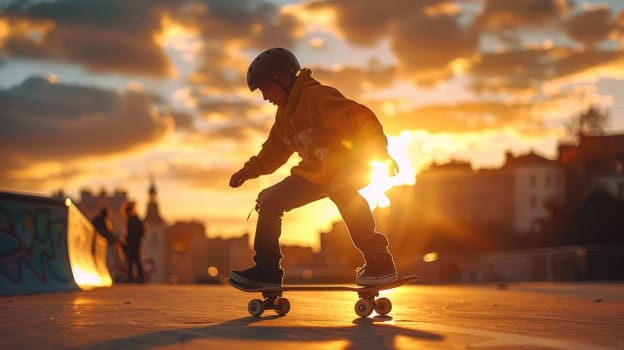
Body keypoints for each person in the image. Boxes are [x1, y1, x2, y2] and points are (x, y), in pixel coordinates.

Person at [228, 47, 398, 288]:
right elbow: (273, 153)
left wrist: (378, 152)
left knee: (341, 187)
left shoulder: (316, 97)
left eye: (266, 88)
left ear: (284, 78)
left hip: (350, 164)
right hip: (314, 174)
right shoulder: (284, 117)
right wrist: (247, 171)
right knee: (269, 200)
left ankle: (379, 260)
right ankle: (267, 270)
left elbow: (360, 116)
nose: (266, 97)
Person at [124, 202, 145, 283]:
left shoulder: (131, 220)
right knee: (136, 259)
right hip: (137, 242)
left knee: (132, 259)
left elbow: (130, 233)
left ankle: (131, 277)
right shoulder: (137, 219)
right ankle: (139, 276)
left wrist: (127, 240)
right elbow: (141, 232)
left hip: (132, 243)